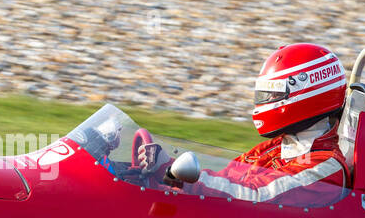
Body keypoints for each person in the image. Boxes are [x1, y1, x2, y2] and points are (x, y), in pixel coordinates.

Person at [140, 42, 351, 203]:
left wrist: (171, 169)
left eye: (272, 93)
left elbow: (254, 193)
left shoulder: (326, 166)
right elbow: (227, 177)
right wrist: (169, 179)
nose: (265, 100)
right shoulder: (278, 146)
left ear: (308, 96)